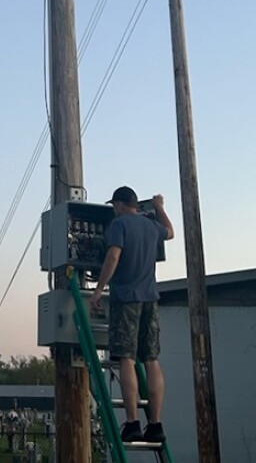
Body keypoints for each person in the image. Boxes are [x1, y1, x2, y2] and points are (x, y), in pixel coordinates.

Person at [89, 186, 174, 444]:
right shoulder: (151, 226)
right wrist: (159, 207)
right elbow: (170, 232)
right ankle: (156, 424)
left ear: (120, 204)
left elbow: (114, 256)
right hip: (151, 298)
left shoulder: (119, 224)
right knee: (151, 359)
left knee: (126, 358)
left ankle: (133, 422)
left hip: (126, 298)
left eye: (115, 205)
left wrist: (99, 289)